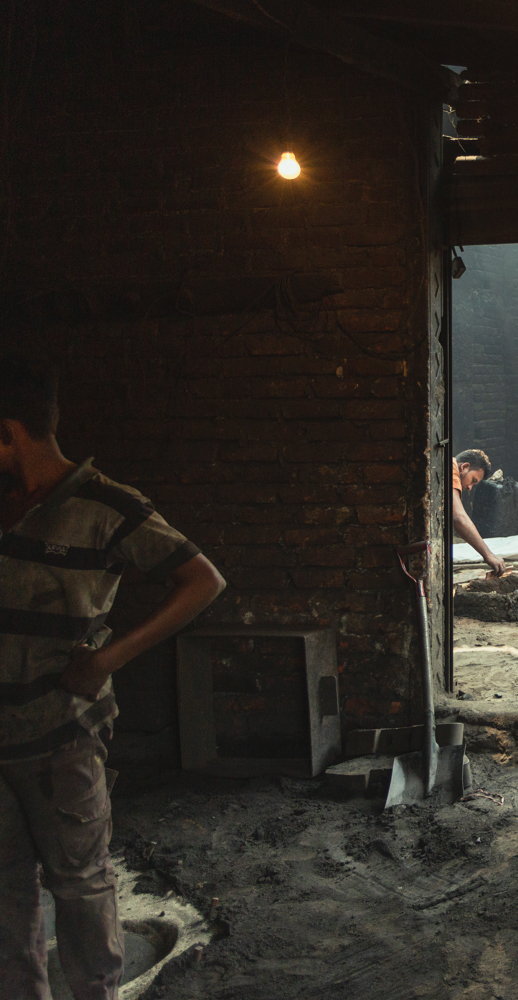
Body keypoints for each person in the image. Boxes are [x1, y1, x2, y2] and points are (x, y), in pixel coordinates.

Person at [0, 354, 226, 1000]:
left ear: (11, 432)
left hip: (60, 736)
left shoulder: (106, 506)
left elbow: (202, 580)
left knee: (78, 884)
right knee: (4, 891)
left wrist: (107, 659)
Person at [452, 448, 507, 575]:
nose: (470, 488)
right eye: (473, 480)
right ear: (465, 467)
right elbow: (459, 518)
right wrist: (488, 555)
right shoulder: (452, 470)